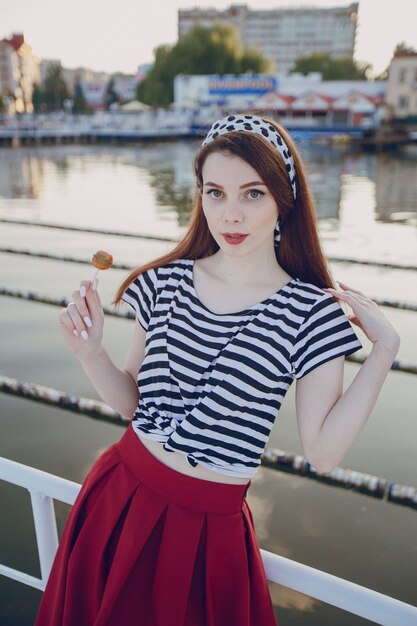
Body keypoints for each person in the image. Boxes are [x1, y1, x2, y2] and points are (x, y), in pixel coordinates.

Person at [35, 113, 400, 626]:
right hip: (119, 496)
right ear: (200, 196)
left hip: (209, 526)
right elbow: (132, 404)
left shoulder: (310, 313)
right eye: (215, 192)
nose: (231, 214)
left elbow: (322, 453)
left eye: (252, 194)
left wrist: (384, 349)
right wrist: (90, 352)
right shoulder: (164, 282)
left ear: (282, 200)